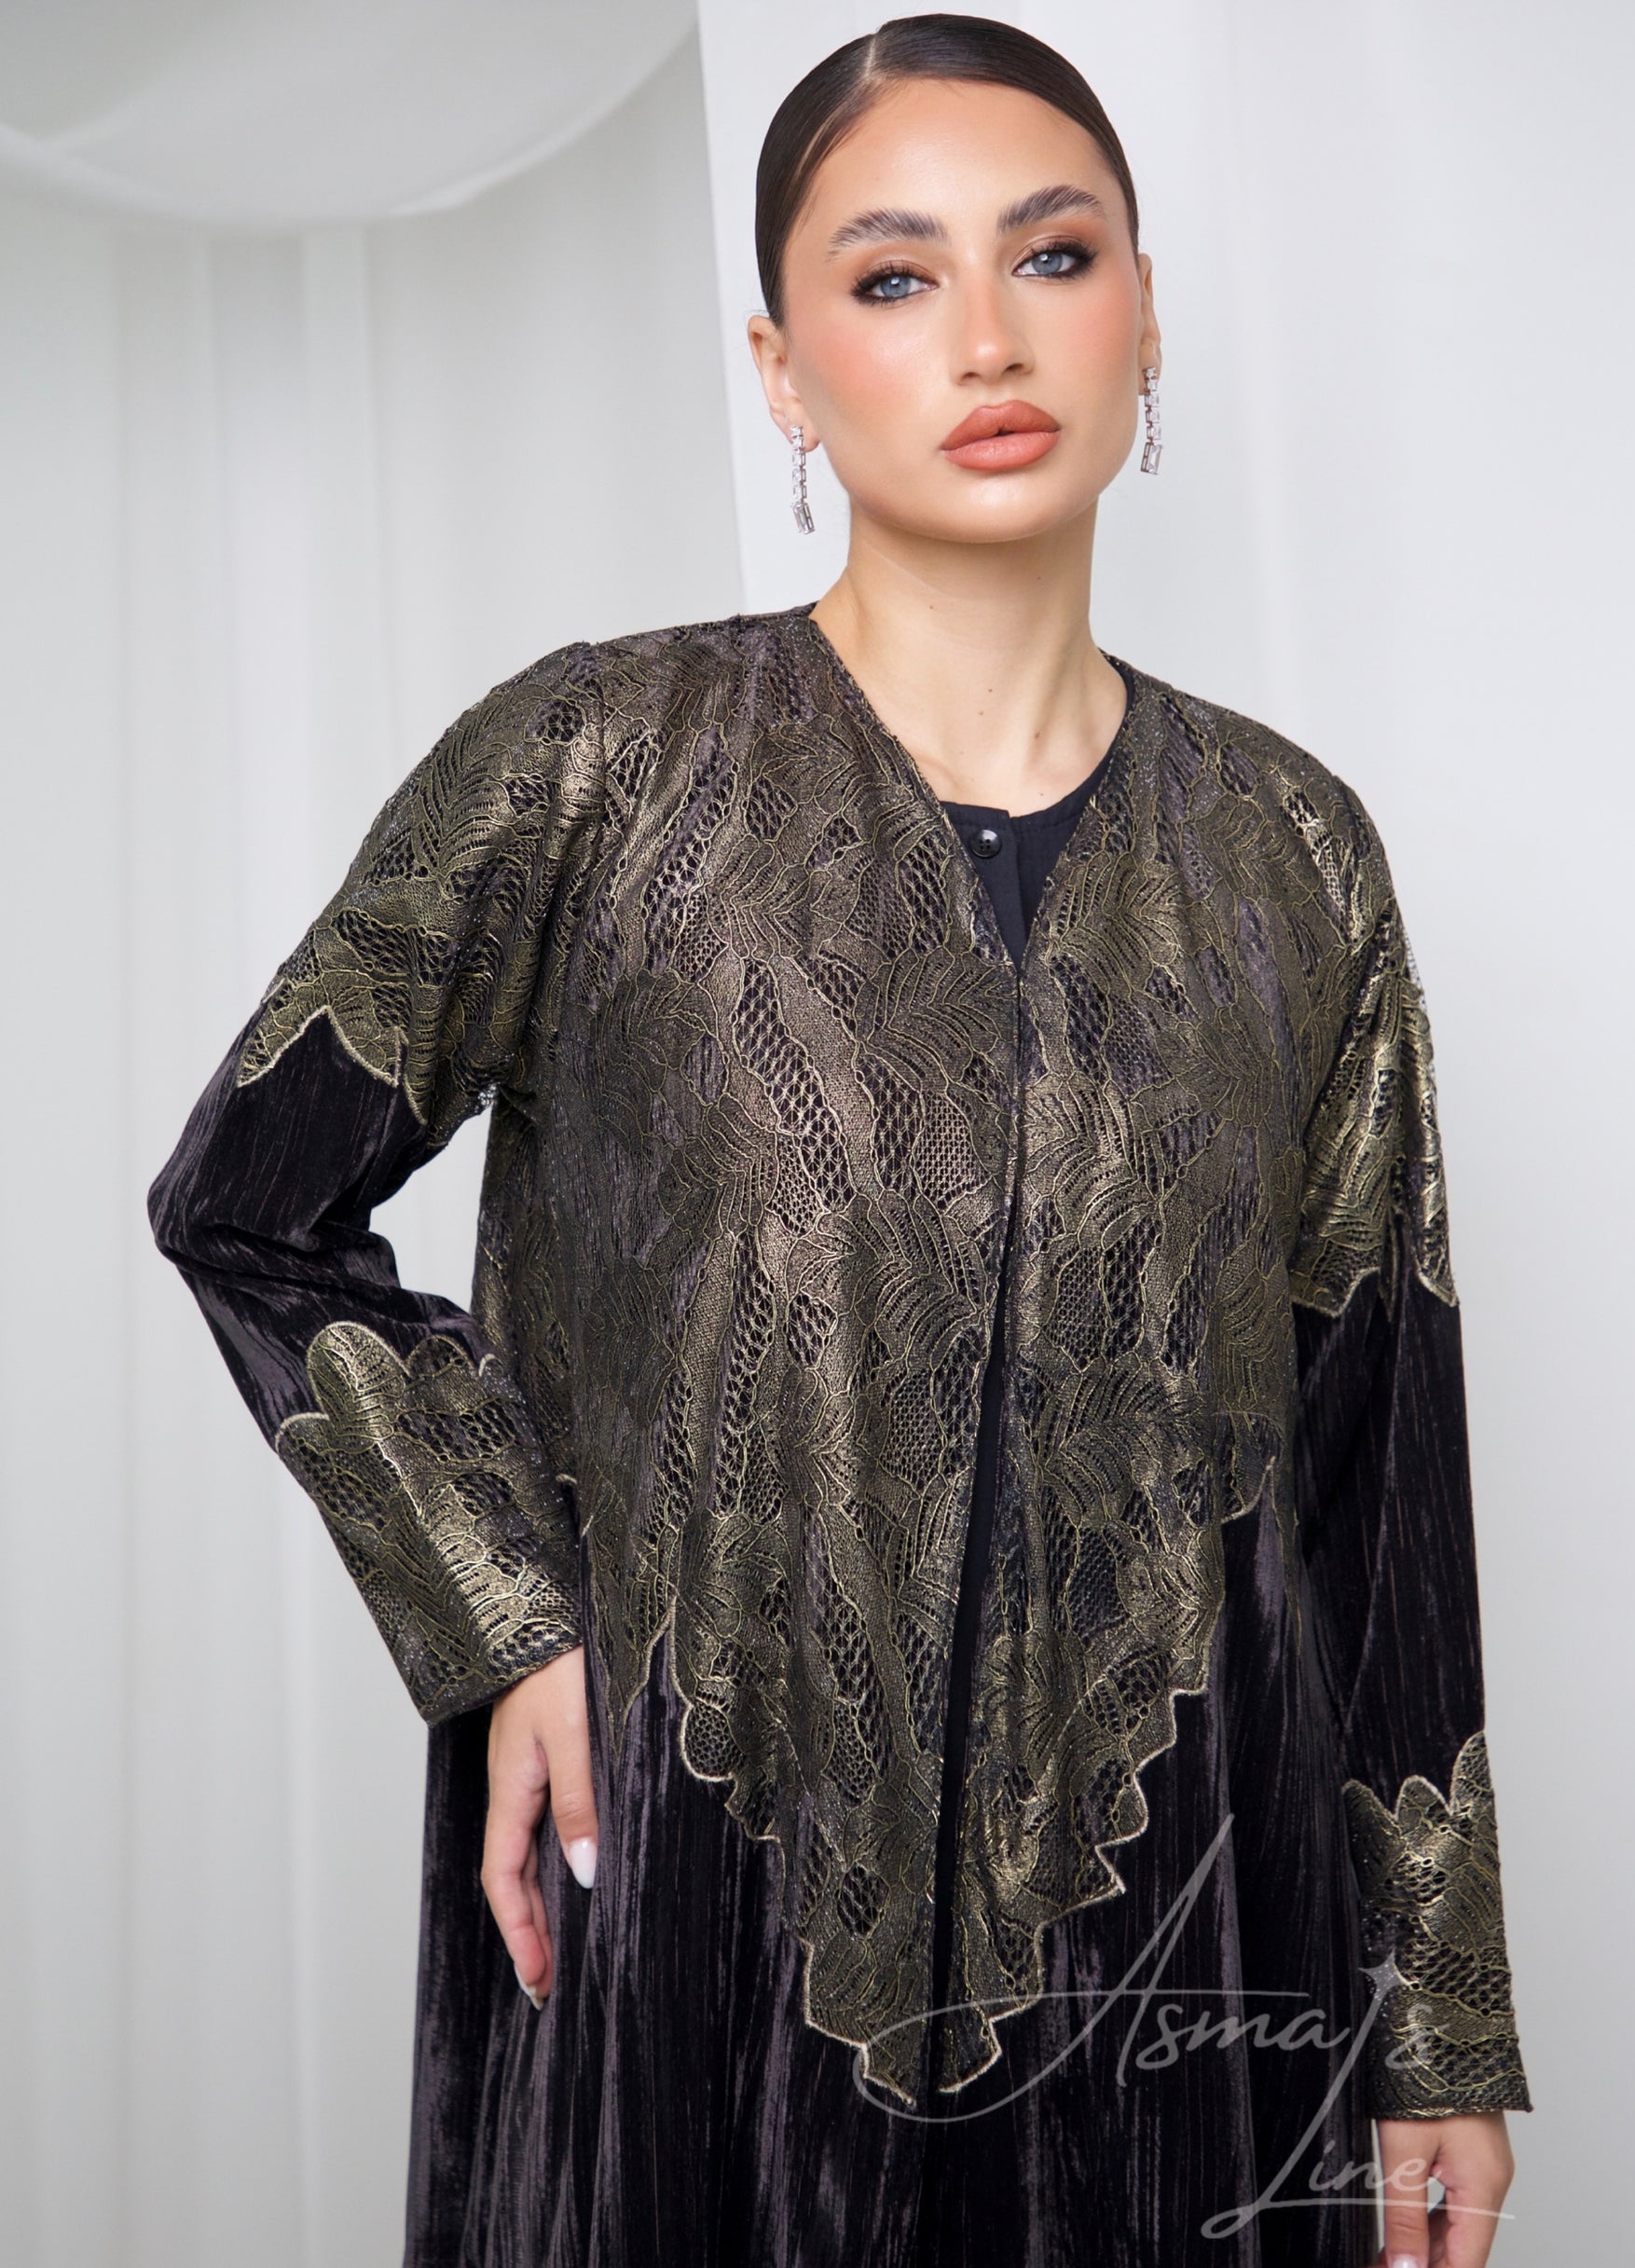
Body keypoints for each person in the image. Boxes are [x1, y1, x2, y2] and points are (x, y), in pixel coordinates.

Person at [149, 15, 1532, 2264]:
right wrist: (503, 1618)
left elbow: (1382, 1468)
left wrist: (1438, 2019)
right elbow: (248, 1204)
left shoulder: (1291, 855)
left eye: (1052, 255)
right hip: (701, 1911)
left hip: (1190, 1944)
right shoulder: (599, 766)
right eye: (894, 278)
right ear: (782, 371)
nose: (987, 335)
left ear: (1147, 313)